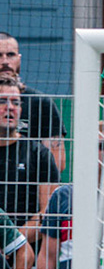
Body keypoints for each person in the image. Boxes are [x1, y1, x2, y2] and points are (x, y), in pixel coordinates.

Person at [0, 36, 67, 172]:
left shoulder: (41, 103)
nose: (5, 61)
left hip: (27, 188)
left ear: (19, 59)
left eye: (10, 55)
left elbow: (56, 164)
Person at [0, 77, 58, 234]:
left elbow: (47, 212)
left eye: (16, 103)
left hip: (27, 251)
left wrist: (13, 244)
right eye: (2, 101)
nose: (10, 107)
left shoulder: (39, 154)